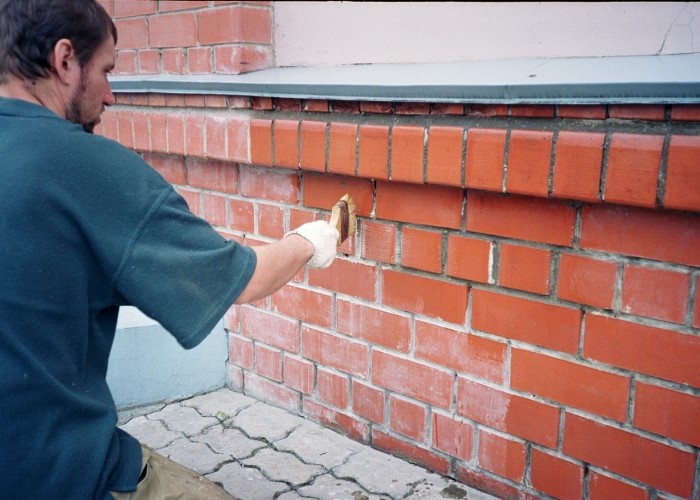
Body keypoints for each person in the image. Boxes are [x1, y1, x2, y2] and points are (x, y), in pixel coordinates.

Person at [0, 0, 340, 498]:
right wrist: (309, 240)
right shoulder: (81, 167)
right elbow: (243, 279)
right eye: (107, 71)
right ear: (65, 60)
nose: (111, 96)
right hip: (61, 473)